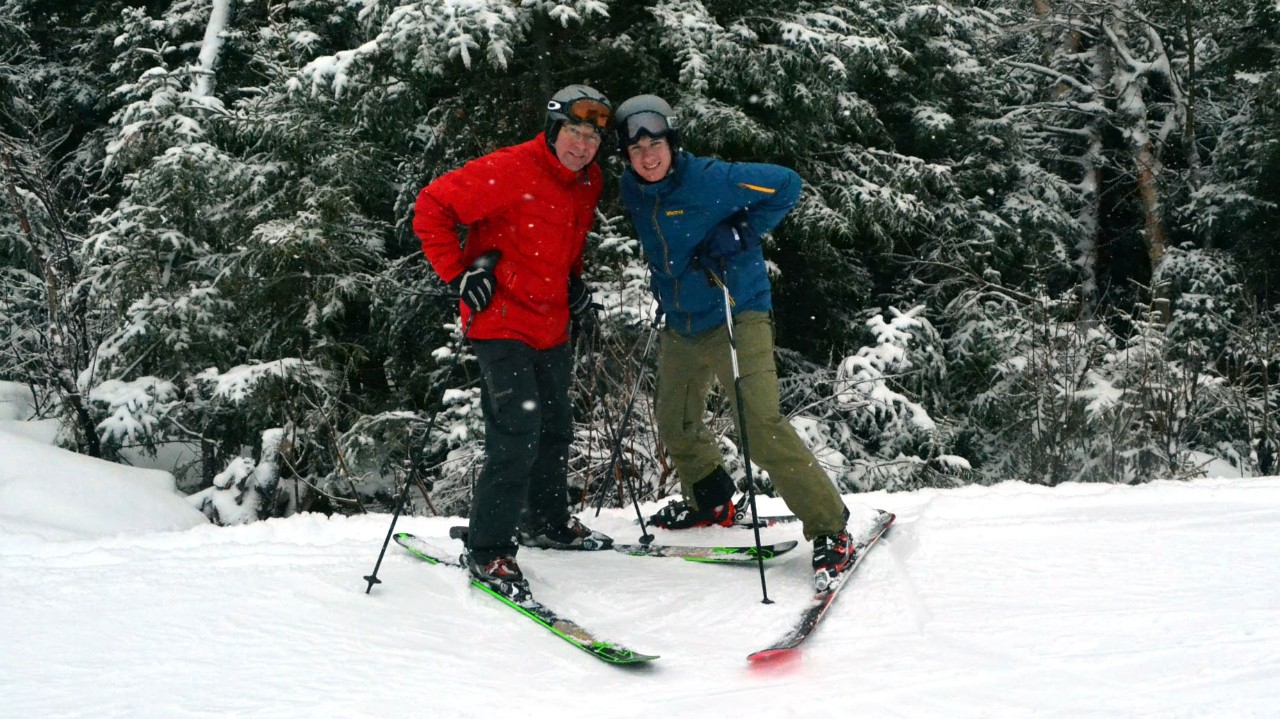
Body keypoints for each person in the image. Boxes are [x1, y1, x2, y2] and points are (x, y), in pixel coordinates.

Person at [613, 94, 858, 590]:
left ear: (672, 143)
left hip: (735, 311)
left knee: (759, 424)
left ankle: (832, 529)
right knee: (675, 421)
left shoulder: (711, 178)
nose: (648, 157)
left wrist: (743, 231)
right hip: (682, 321)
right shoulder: (632, 189)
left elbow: (787, 184)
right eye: (636, 150)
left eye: (656, 144)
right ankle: (712, 500)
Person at [413, 85, 615, 603]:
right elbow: (432, 205)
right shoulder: (510, 169)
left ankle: (545, 522)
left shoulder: (587, 180)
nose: (582, 144)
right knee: (517, 429)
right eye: (574, 131)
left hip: (550, 323)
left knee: (555, 426)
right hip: (499, 319)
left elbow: (564, 240)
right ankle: (489, 548)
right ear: (553, 129)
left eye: (592, 135)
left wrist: (572, 281)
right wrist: (458, 274)